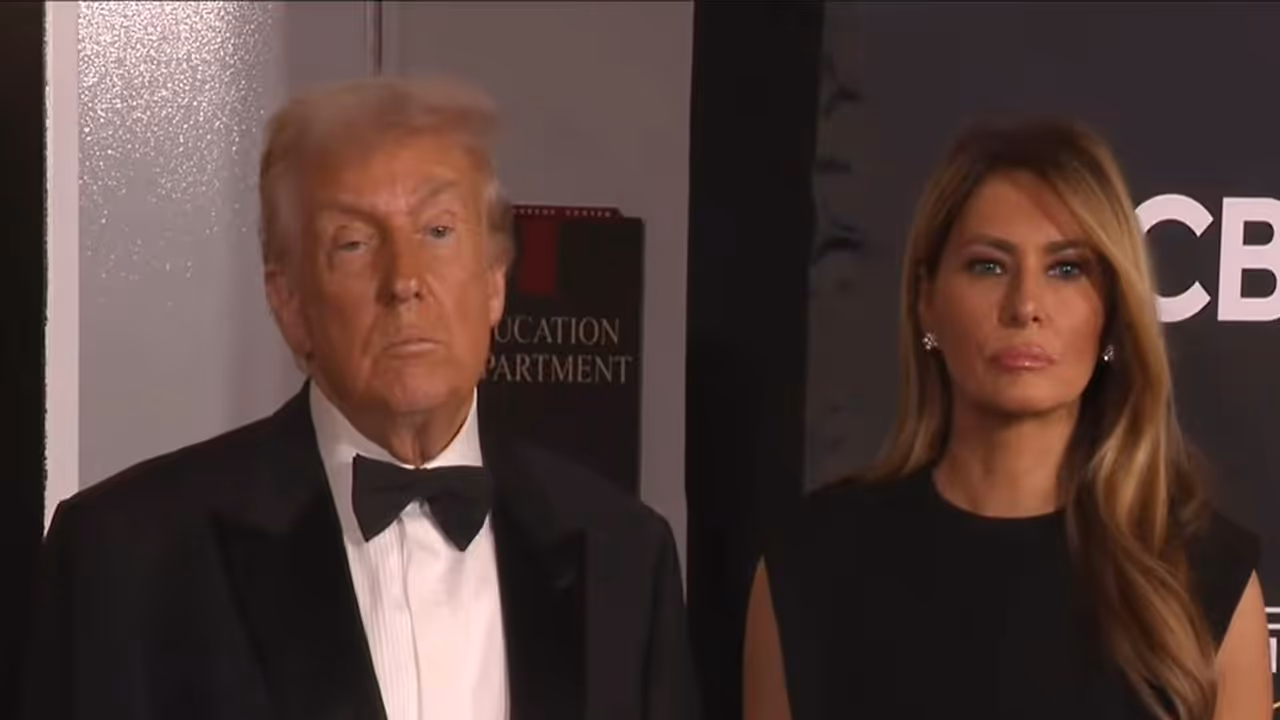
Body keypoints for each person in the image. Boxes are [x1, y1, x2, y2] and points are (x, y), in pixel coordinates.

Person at [22, 76, 701, 720]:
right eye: (352, 243)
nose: (404, 280)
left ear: (494, 283)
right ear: (289, 304)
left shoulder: (626, 559)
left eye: (438, 231)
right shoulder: (128, 559)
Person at [743, 119, 1273, 720]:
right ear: (926, 300)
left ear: (1113, 313)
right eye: (988, 265)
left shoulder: (1202, 576)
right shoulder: (810, 567)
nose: (1025, 306)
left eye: (1066, 268)